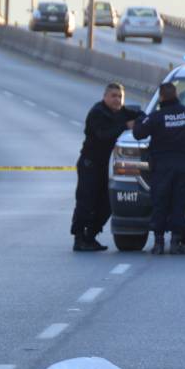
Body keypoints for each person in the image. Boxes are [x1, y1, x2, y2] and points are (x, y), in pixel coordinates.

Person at [132, 82, 185, 254]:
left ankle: (158, 244)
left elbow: (138, 133)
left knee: (160, 204)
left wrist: (139, 118)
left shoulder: (157, 117)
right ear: (176, 95)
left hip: (162, 169)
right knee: (179, 204)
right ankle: (176, 242)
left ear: (161, 97)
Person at [71, 82, 142, 252]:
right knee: (86, 201)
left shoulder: (125, 112)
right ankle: (79, 238)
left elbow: (143, 117)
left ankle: (91, 235)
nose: (117, 100)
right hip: (91, 164)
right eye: (114, 96)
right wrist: (125, 126)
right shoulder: (98, 113)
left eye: (120, 96)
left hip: (110, 166)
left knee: (107, 204)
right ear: (105, 97)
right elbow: (103, 135)